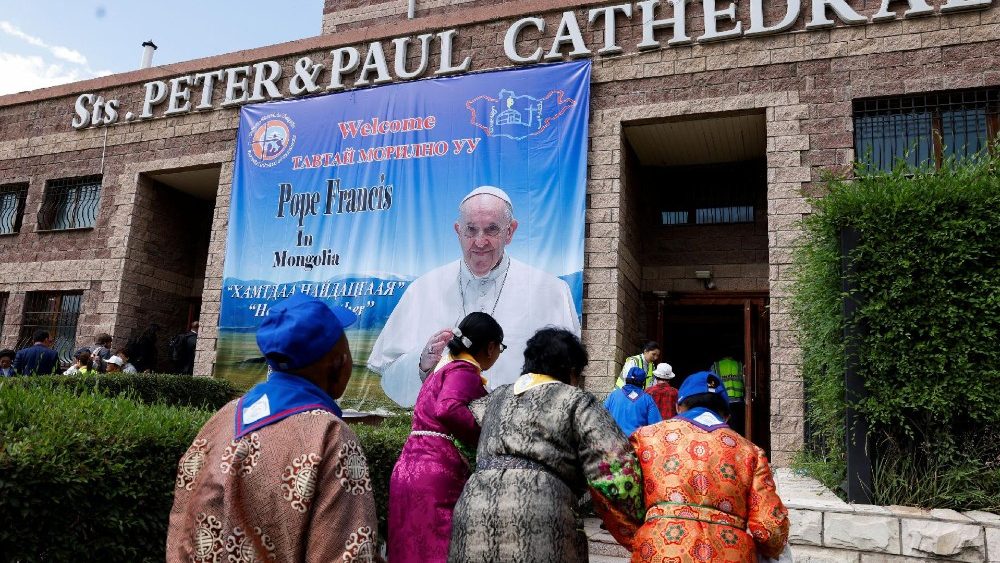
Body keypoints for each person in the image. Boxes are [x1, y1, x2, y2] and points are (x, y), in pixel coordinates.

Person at [167, 294, 379, 561]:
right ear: (338, 364)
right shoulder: (330, 437)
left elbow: (181, 528)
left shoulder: (223, 418)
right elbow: (347, 553)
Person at [368, 186, 581, 407]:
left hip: (522, 435)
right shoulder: (422, 289)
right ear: (458, 231)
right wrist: (421, 364)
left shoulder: (551, 291)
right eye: (471, 230)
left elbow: (569, 378)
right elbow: (389, 379)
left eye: (491, 230)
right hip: (444, 436)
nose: (480, 242)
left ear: (510, 232)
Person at [449, 328, 645, 562]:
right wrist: (636, 519)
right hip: (540, 513)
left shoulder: (495, 398)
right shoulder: (576, 400)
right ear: (572, 371)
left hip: (473, 509)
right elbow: (617, 468)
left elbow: (466, 426)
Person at [628, 371, 789, 561]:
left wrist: (641, 533)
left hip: (656, 551)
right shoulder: (751, 452)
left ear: (678, 406)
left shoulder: (645, 438)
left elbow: (619, 494)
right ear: (727, 416)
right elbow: (770, 528)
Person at [388, 312, 503, 563]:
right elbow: (448, 408)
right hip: (435, 470)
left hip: (409, 465)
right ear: (491, 347)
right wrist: (482, 436)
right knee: (436, 547)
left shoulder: (443, 370)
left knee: (408, 547)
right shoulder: (463, 371)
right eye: (500, 348)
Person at [604, 366, 662, 437]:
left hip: (614, 441)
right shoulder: (647, 399)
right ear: (642, 382)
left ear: (627, 379)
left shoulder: (613, 395)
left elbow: (602, 417)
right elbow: (656, 427)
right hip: (637, 444)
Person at [712, 351, 746, 435]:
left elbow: (711, 386)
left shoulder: (716, 366)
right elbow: (746, 382)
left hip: (722, 401)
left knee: (722, 428)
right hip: (738, 401)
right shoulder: (739, 365)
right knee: (737, 428)